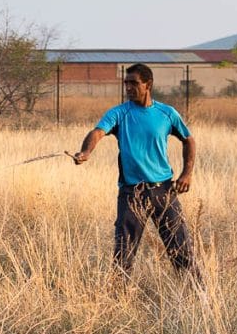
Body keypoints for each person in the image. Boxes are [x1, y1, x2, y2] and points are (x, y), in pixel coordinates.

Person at [72, 63, 201, 281]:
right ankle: (117, 300)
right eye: (126, 83)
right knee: (124, 252)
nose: (129, 87)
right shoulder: (119, 113)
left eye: (134, 83)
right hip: (131, 194)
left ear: (148, 84)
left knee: (180, 249)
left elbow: (188, 139)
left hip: (164, 191)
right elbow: (97, 132)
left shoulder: (166, 113)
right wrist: (86, 151)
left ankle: (199, 296)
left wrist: (186, 174)